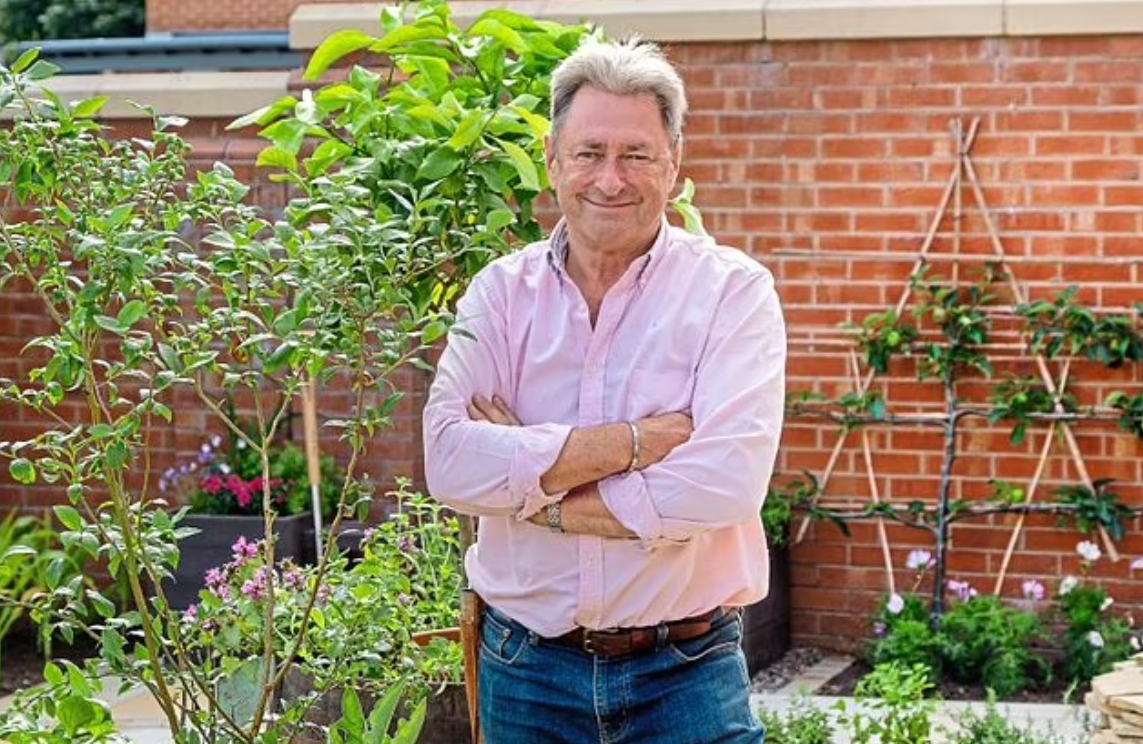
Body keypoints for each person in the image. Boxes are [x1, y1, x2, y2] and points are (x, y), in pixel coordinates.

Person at [423, 37, 785, 744]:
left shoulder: (732, 294)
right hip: (525, 673)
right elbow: (450, 463)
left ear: (673, 165)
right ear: (553, 161)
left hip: (685, 673)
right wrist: (635, 444)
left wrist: (536, 492)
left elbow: (724, 485)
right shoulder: (499, 295)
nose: (610, 180)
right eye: (589, 153)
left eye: (636, 155)